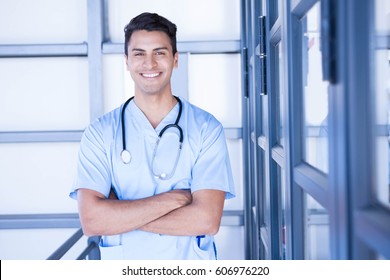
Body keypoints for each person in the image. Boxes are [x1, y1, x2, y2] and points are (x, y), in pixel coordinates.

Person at [69, 12, 235, 260]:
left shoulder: (206, 128)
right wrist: (175, 199)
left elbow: (207, 220)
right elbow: (92, 221)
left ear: (175, 59)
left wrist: (119, 213)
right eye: (139, 54)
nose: (150, 63)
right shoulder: (100, 133)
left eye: (160, 52)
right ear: (126, 61)